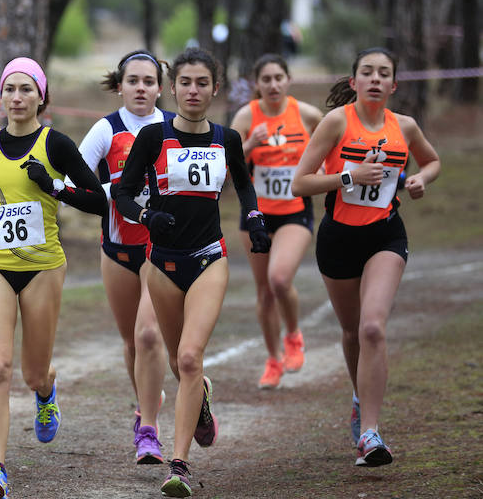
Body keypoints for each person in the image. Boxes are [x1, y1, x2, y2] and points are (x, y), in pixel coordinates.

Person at [0, 57, 105, 499]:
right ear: (1, 97)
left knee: (30, 373)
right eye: (10, 89)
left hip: (44, 267)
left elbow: (99, 202)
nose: (17, 97)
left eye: (27, 89)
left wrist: (54, 186)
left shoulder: (57, 144)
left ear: (41, 97)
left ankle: (46, 391)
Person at [115, 48, 271, 497]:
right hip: (161, 263)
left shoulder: (227, 138)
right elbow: (124, 195)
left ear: (215, 89)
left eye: (203, 83)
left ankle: (178, 466)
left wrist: (255, 218)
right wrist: (146, 218)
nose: (193, 91)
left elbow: (243, 182)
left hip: (209, 257)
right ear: (172, 88)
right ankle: (199, 393)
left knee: (186, 356)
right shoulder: (153, 137)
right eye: (185, 82)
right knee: (177, 360)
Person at [291, 47, 440, 467]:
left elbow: (433, 161)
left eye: (384, 74)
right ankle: (359, 397)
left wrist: (419, 178)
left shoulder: (405, 127)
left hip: (385, 236)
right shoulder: (336, 122)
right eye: (367, 72)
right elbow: (300, 183)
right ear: (354, 82)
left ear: (394, 85)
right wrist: (348, 177)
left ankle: (371, 434)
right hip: (337, 238)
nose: (375, 79)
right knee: (353, 332)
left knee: (373, 327)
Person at [75, 49, 174, 463]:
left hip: (165, 251)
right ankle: (147, 410)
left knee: (152, 336)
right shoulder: (106, 129)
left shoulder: (175, 128)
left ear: (159, 88)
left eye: (148, 81)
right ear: (119, 87)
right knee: (132, 342)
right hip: (117, 251)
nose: (140, 88)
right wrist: (100, 194)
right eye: (132, 81)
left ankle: (148, 431)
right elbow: (74, 178)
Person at [230, 54, 323, 389]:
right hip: (255, 214)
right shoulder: (246, 116)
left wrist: (324, 168)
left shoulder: (307, 114)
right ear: (257, 84)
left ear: (288, 80)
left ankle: (294, 335)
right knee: (265, 292)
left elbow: (333, 144)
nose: (272, 85)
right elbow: (226, 164)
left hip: (295, 210)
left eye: (278, 78)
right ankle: (273, 359)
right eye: (265, 79)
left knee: (280, 279)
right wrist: (250, 144)